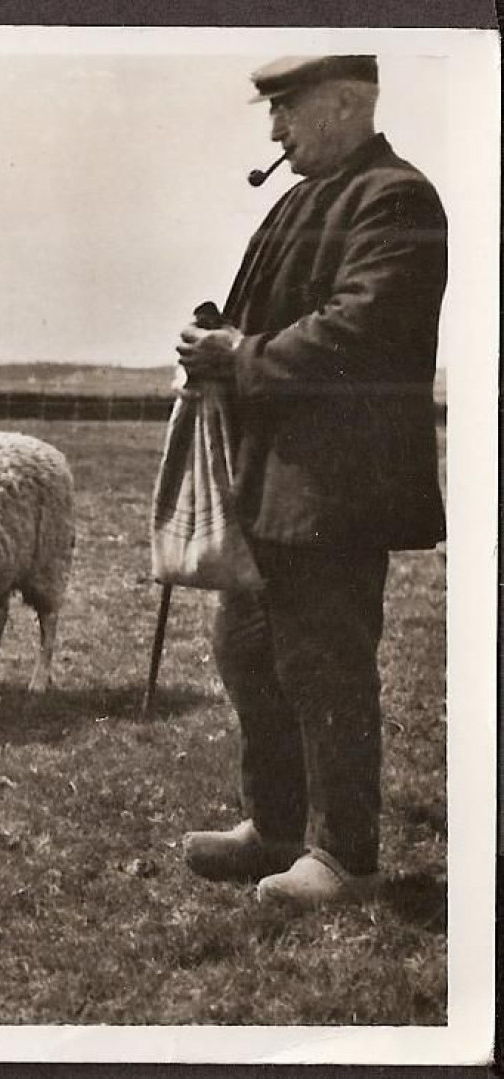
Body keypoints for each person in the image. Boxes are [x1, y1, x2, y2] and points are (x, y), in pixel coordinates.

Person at [173, 55, 448, 909]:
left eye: (284, 109)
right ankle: (278, 826)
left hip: (336, 488)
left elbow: (362, 332)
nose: (273, 129)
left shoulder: (395, 198)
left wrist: (240, 355)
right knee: (247, 650)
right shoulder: (301, 197)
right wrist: (216, 339)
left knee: (323, 665)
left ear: (343, 104)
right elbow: (284, 317)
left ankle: (344, 854)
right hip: (276, 481)